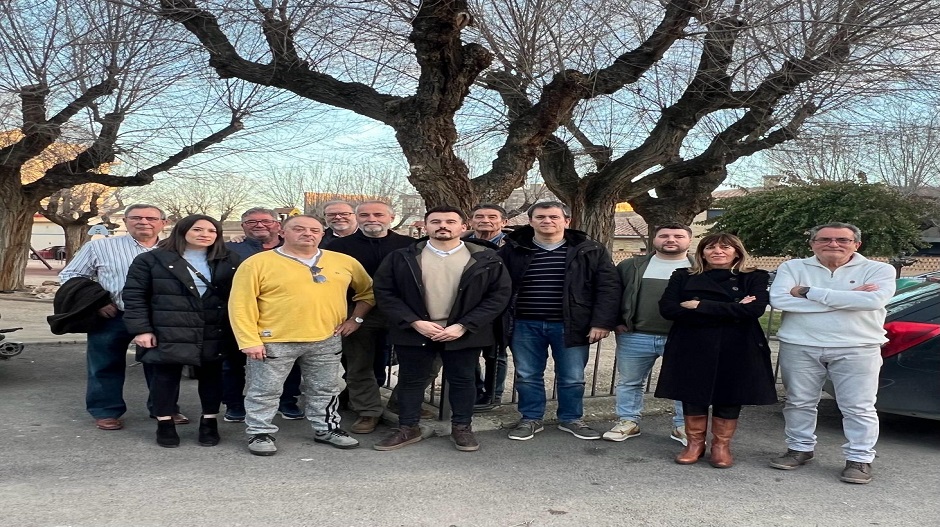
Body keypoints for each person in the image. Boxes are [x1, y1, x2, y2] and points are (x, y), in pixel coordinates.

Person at [229, 215, 374, 455]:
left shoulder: (344, 261)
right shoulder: (258, 263)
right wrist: (249, 340)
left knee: (326, 388)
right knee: (265, 389)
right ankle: (259, 432)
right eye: (299, 229)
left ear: (321, 234)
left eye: (314, 230)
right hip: (273, 340)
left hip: (325, 339)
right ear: (283, 232)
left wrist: (356, 319)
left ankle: (327, 427)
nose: (308, 233)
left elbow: (367, 292)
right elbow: (241, 304)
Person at [372, 206, 511, 452]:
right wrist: (414, 322)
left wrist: (464, 325)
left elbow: (498, 296)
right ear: (425, 226)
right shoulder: (402, 257)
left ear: (463, 227)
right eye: (435, 221)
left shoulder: (486, 258)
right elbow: (385, 292)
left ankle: (462, 427)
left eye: (450, 221)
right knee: (411, 381)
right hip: (415, 330)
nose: (442, 225)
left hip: (463, 332)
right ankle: (408, 427)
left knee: (463, 381)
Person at [769, 222, 895, 484]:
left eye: (842, 240)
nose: (833, 244)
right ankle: (799, 448)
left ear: (856, 244)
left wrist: (807, 293)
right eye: (824, 239)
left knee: (858, 406)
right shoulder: (793, 267)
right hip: (800, 344)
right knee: (798, 401)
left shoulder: (879, 269)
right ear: (812, 243)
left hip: (857, 347)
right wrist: (848, 299)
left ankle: (859, 459)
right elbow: (779, 301)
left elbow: (873, 301)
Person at [499, 201, 621, 441]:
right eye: (541, 217)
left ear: (567, 221)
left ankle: (571, 418)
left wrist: (602, 322)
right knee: (527, 374)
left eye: (554, 217)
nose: (547, 221)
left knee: (573, 377)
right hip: (524, 324)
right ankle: (531, 418)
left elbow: (608, 287)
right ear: (531, 221)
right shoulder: (513, 250)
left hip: (572, 324)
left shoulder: (590, 250)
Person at [59, 204, 187, 430]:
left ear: (163, 223)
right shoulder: (100, 247)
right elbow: (70, 275)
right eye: (136, 217)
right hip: (113, 314)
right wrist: (97, 301)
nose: (144, 222)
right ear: (126, 221)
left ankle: (164, 408)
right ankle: (106, 411)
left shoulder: (177, 249)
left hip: (160, 317)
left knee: (163, 365)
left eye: (151, 218)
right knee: (104, 364)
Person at [654, 233, 777, 468]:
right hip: (692, 343)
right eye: (710, 247)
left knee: (730, 395)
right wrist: (732, 308)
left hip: (738, 345)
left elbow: (753, 311)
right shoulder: (683, 276)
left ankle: (721, 446)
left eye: (725, 247)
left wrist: (700, 305)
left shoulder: (754, 277)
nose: (717, 251)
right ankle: (694, 444)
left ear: (737, 252)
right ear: (702, 252)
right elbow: (668, 309)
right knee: (692, 394)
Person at [122, 215, 241, 448]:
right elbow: (134, 296)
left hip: (213, 327)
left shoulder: (230, 260)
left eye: (211, 230)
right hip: (168, 326)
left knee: (212, 377)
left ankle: (209, 422)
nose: (204, 234)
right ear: (182, 231)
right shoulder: (151, 260)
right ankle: (165, 423)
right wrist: (142, 330)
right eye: (197, 229)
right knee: (165, 377)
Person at [327, 201, 413, 434]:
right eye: (364, 215)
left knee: (418, 361)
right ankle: (368, 411)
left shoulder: (410, 245)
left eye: (378, 214)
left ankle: (401, 401)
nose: (371, 218)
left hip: (403, 312)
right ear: (357, 218)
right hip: (356, 312)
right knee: (358, 364)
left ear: (391, 217)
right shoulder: (338, 247)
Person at [603, 223, 693, 444]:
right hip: (636, 335)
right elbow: (612, 295)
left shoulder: (700, 267)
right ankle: (628, 421)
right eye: (664, 235)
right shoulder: (631, 266)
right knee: (630, 382)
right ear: (654, 239)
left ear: (689, 240)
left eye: (678, 236)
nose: (670, 239)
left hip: (683, 336)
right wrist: (615, 321)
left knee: (685, 382)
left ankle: (683, 426)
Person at [222, 208, 304, 423]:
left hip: (283, 315)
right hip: (239, 314)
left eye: (266, 221)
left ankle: (287, 401)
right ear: (243, 227)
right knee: (232, 362)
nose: (259, 225)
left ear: (278, 225)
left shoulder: (294, 248)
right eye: (251, 222)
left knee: (289, 361)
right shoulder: (229, 249)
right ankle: (235, 405)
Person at [464, 204, 511, 411]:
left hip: (501, 308)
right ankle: (474, 391)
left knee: (497, 354)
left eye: (492, 216)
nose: (485, 220)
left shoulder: (512, 246)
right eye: (479, 216)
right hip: (466, 308)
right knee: (467, 353)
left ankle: (493, 395)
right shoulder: (459, 243)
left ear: (504, 222)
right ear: (471, 221)